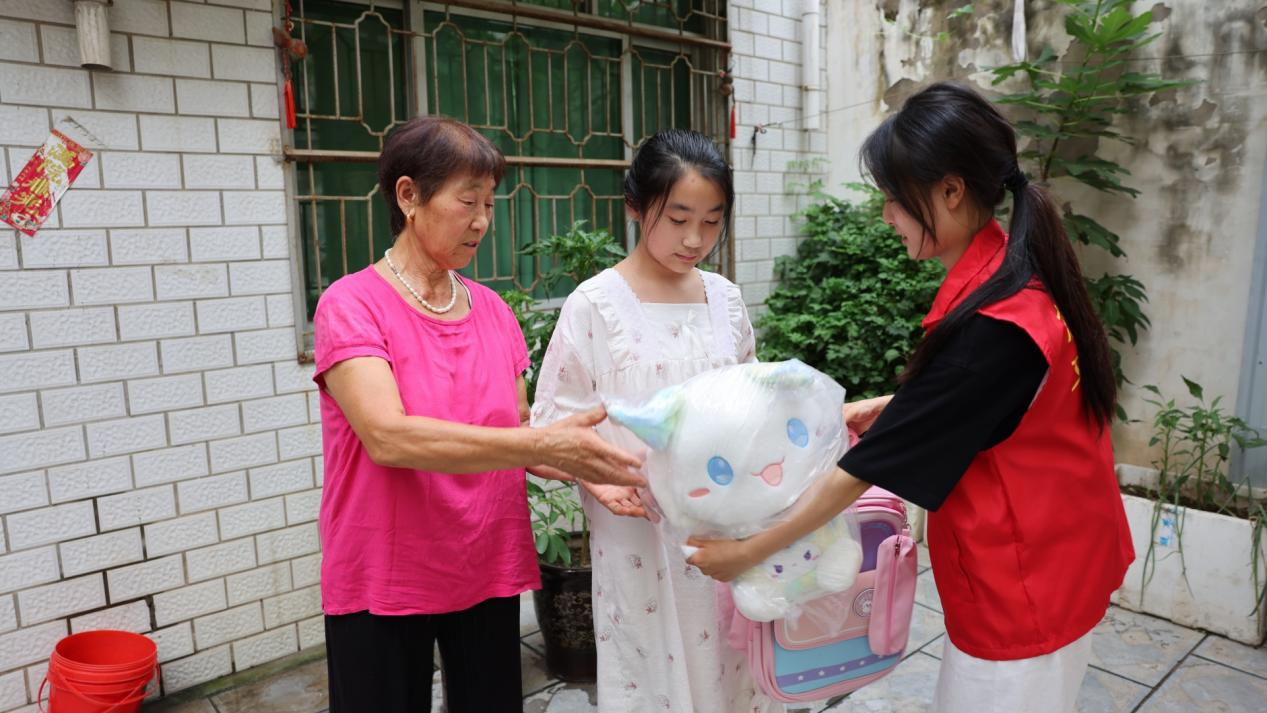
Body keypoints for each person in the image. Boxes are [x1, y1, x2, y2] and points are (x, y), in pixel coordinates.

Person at [686, 82, 1134, 713]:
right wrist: (896, 406)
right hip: (1061, 556)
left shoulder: (993, 325)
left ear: (950, 191)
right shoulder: (1013, 275)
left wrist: (749, 553)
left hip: (1025, 586)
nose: (887, 218)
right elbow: (988, 405)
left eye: (894, 200)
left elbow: (863, 470)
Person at [312, 116, 644, 713]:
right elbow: (388, 437)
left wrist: (583, 468)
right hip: (384, 569)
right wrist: (543, 447)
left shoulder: (493, 311)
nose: (483, 220)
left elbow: (516, 432)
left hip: (482, 559)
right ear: (408, 195)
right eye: (468, 201)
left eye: (489, 203)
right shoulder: (351, 304)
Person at [531, 129, 780, 713]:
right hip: (640, 546)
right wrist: (598, 478)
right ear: (637, 207)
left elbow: (754, 408)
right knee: (653, 682)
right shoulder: (595, 305)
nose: (696, 239)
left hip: (726, 538)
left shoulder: (725, 300)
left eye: (713, 222)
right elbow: (547, 439)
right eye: (678, 218)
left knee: (736, 674)